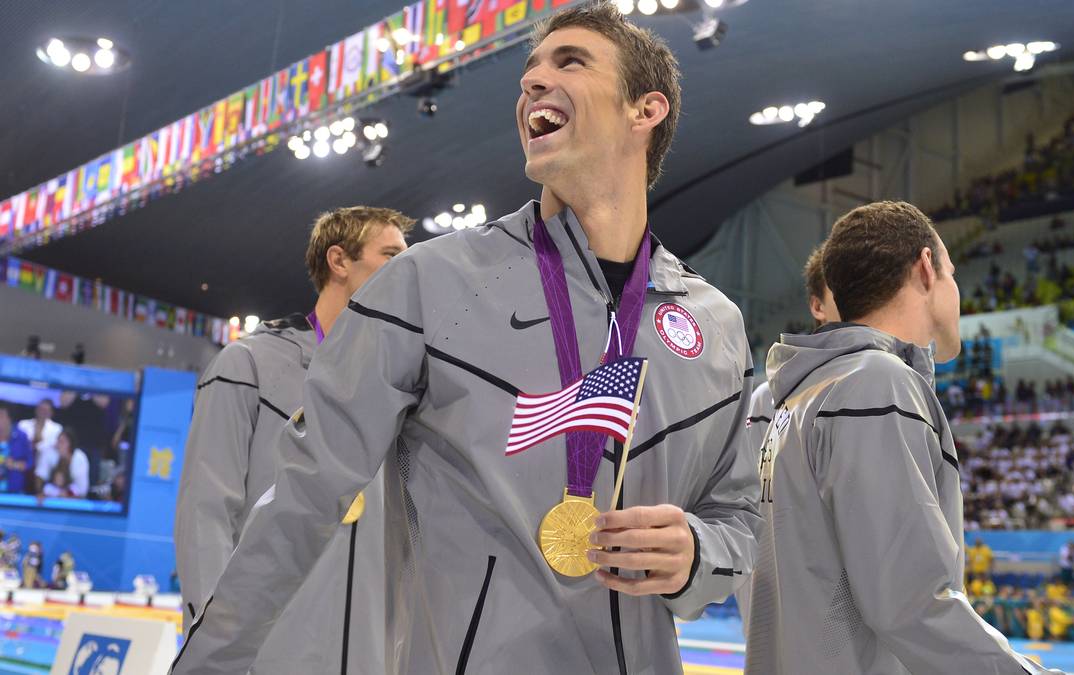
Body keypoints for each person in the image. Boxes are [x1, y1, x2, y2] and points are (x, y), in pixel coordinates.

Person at [172, 6, 760, 674]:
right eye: (529, 73)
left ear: (644, 109)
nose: (532, 83)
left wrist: (697, 551)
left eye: (569, 62)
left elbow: (739, 515)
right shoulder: (429, 284)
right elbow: (303, 497)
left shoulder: (712, 325)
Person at [744, 201, 1054, 673]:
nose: (955, 289)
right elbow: (911, 603)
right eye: (951, 271)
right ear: (926, 269)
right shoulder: (875, 382)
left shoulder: (786, 397)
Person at [174, 207, 412, 675]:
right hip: (272, 647)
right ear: (339, 261)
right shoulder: (248, 366)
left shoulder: (399, 385)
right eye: (390, 256)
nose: (408, 270)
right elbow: (206, 513)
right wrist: (218, 648)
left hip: (372, 649)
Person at [737, 242, 838, 632]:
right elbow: (751, 520)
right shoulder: (769, 400)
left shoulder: (895, 389)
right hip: (795, 627)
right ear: (817, 306)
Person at [18, 399, 61, 493]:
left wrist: (36, 446)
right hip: (25, 462)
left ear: (51, 412)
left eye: (46, 410)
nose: (43, 412)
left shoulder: (56, 428)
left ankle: (41, 490)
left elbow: (52, 447)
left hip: (45, 466)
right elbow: (19, 444)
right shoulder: (23, 424)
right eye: (41, 409)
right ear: (36, 410)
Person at [40, 428, 89, 499]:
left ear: (70, 444)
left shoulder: (80, 458)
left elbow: (82, 491)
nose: (57, 445)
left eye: (61, 442)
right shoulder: (51, 453)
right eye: (58, 441)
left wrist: (67, 495)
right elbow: (41, 476)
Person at [0, 407, 34, 495]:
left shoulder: (21, 437)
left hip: (15, 492)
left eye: (1, 416)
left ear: (9, 419)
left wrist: (14, 465)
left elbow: (30, 463)